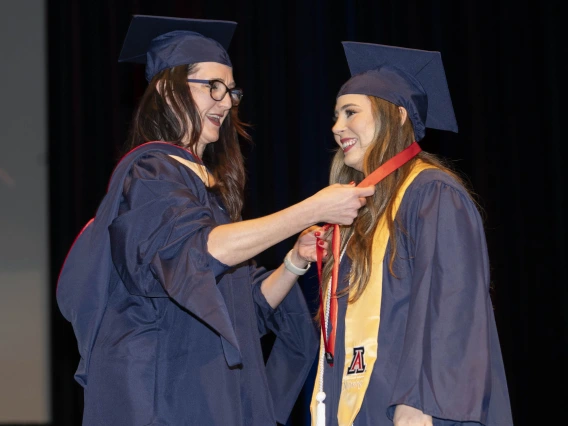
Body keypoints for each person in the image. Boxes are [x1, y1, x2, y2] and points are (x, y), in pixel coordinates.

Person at [56, 16, 374, 426]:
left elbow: (244, 308)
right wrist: (313, 208)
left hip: (206, 392)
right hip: (164, 398)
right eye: (213, 87)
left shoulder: (201, 186)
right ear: (170, 93)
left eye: (231, 91)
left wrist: (294, 261)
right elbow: (199, 253)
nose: (226, 102)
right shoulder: (152, 174)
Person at [310, 42, 514, 426]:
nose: (337, 127)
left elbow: (453, 306)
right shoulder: (360, 214)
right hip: (364, 404)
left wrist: (421, 403)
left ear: (397, 115)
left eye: (350, 112)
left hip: (415, 407)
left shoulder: (432, 193)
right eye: (336, 116)